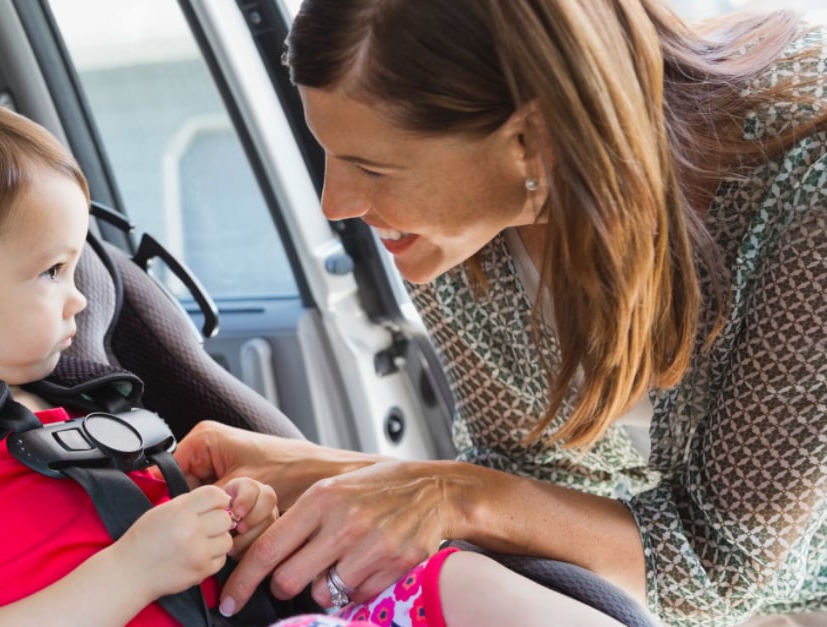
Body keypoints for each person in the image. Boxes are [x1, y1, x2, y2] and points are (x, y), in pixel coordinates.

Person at [174, 1, 827, 626]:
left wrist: (441, 490)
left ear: (531, 138)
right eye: (331, 154)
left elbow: (717, 565)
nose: (336, 203)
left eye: (371, 167)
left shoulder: (808, 196)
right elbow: (532, 485)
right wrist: (322, 474)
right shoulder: (454, 226)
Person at [0, 91, 282, 627]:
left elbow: (150, 541)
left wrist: (221, 519)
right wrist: (133, 571)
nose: (79, 297)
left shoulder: (80, 412)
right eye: (52, 271)